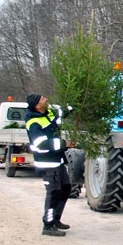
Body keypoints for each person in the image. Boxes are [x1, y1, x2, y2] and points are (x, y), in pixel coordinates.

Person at [25, 93, 72, 237]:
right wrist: (64, 144)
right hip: (47, 162)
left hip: (57, 160)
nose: (46, 99)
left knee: (65, 188)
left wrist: (71, 106)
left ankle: (56, 219)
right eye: (43, 99)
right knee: (53, 193)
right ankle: (48, 225)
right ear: (37, 105)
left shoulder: (47, 114)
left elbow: (57, 121)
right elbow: (41, 143)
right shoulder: (33, 122)